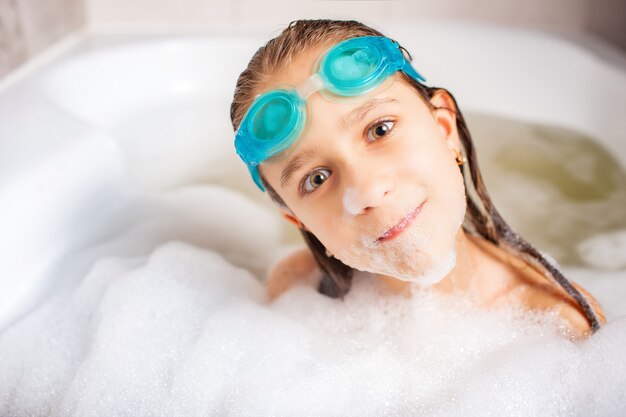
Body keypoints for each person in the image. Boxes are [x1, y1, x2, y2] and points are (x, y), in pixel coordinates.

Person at [229, 19, 606, 340]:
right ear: (300, 221)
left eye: (379, 130)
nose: (368, 190)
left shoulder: (561, 330)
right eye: (317, 178)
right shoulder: (296, 286)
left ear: (445, 129)